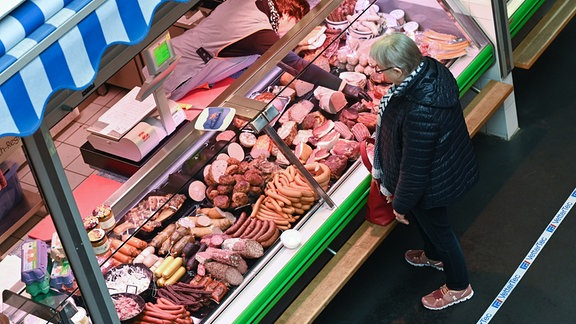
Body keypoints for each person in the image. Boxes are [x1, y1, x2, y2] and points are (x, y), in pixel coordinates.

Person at [369, 33, 479, 310]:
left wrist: (401, 204)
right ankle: (433, 255)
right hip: (443, 169)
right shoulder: (431, 70)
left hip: (432, 184)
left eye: (380, 69)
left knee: (442, 233)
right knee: (431, 228)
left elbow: (414, 167)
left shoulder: (420, 109)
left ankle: (458, 286)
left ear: (398, 70)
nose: (377, 74)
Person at [164, 0, 370, 102]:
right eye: (295, 26)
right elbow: (297, 66)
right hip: (178, 71)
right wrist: (342, 85)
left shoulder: (260, 5)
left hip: (179, 53)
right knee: (156, 116)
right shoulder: (260, 32)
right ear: (288, 15)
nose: (288, 36)